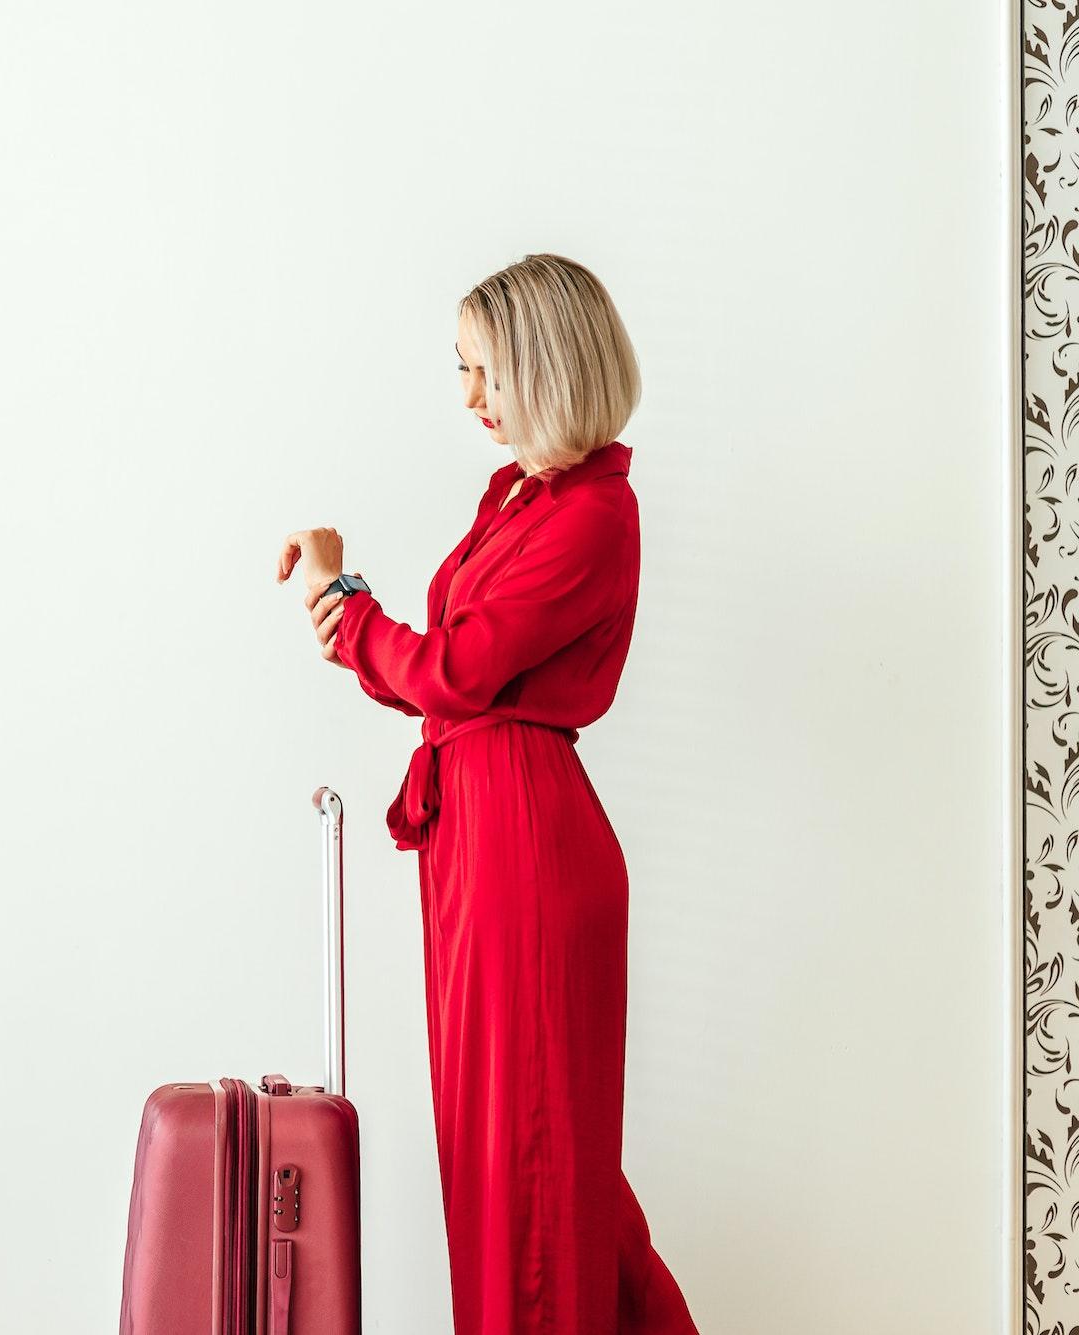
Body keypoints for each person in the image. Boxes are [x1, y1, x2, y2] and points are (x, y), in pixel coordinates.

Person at [274, 254, 701, 1335]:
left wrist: (347, 603)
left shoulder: (591, 515)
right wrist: (354, 612)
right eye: (461, 371)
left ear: (545, 369)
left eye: (484, 373)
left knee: (532, 1156)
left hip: (520, 837)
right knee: (514, 1156)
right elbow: (444, 676)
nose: (468, 399)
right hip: (479, 831)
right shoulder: (517, 495)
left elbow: (455, 670)